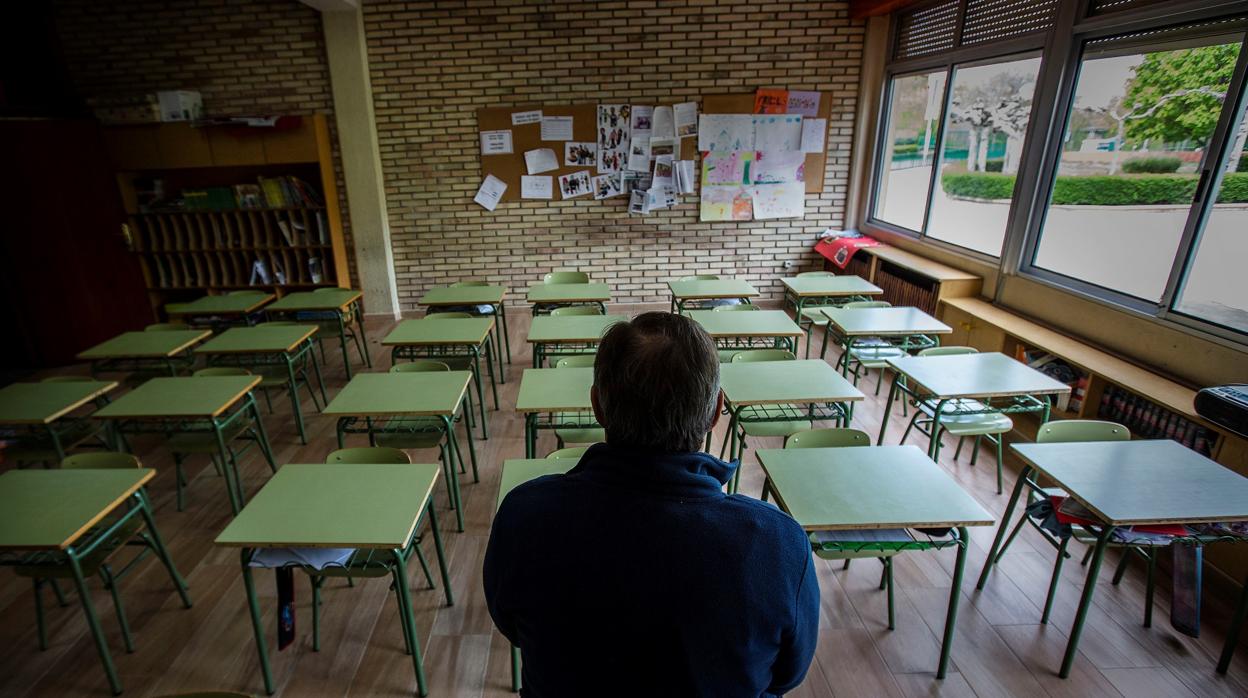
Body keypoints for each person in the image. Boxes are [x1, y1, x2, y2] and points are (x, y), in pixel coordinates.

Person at [484, 312, 819, 697]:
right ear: (714, 413)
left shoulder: (524, 516)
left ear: (597, 406)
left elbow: (509, 621)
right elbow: (788, 674)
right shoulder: (779, 544)